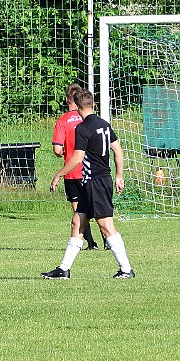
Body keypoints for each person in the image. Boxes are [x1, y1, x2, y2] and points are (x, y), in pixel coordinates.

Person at [43, 89, 134, 280]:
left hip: (95, 182)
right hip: (94, 182)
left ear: (76, 107)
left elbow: (77, 158)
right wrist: (119, 175)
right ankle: (64, 269)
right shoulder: (104, 125)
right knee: (77, 222)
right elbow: (118, 151)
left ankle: (126, 269)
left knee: (106, 226)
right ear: (93, 105)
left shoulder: (82, 128)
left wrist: (58, 174)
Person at [52, 83, 103, 250]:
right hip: (91, 171)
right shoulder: (89, 119)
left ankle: (91, 243)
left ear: (68, 99)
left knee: (78, 210)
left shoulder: (62, 121)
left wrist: (66, 151)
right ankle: (107, 241)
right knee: (97, 207)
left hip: (72, 172)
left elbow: (57, 149)